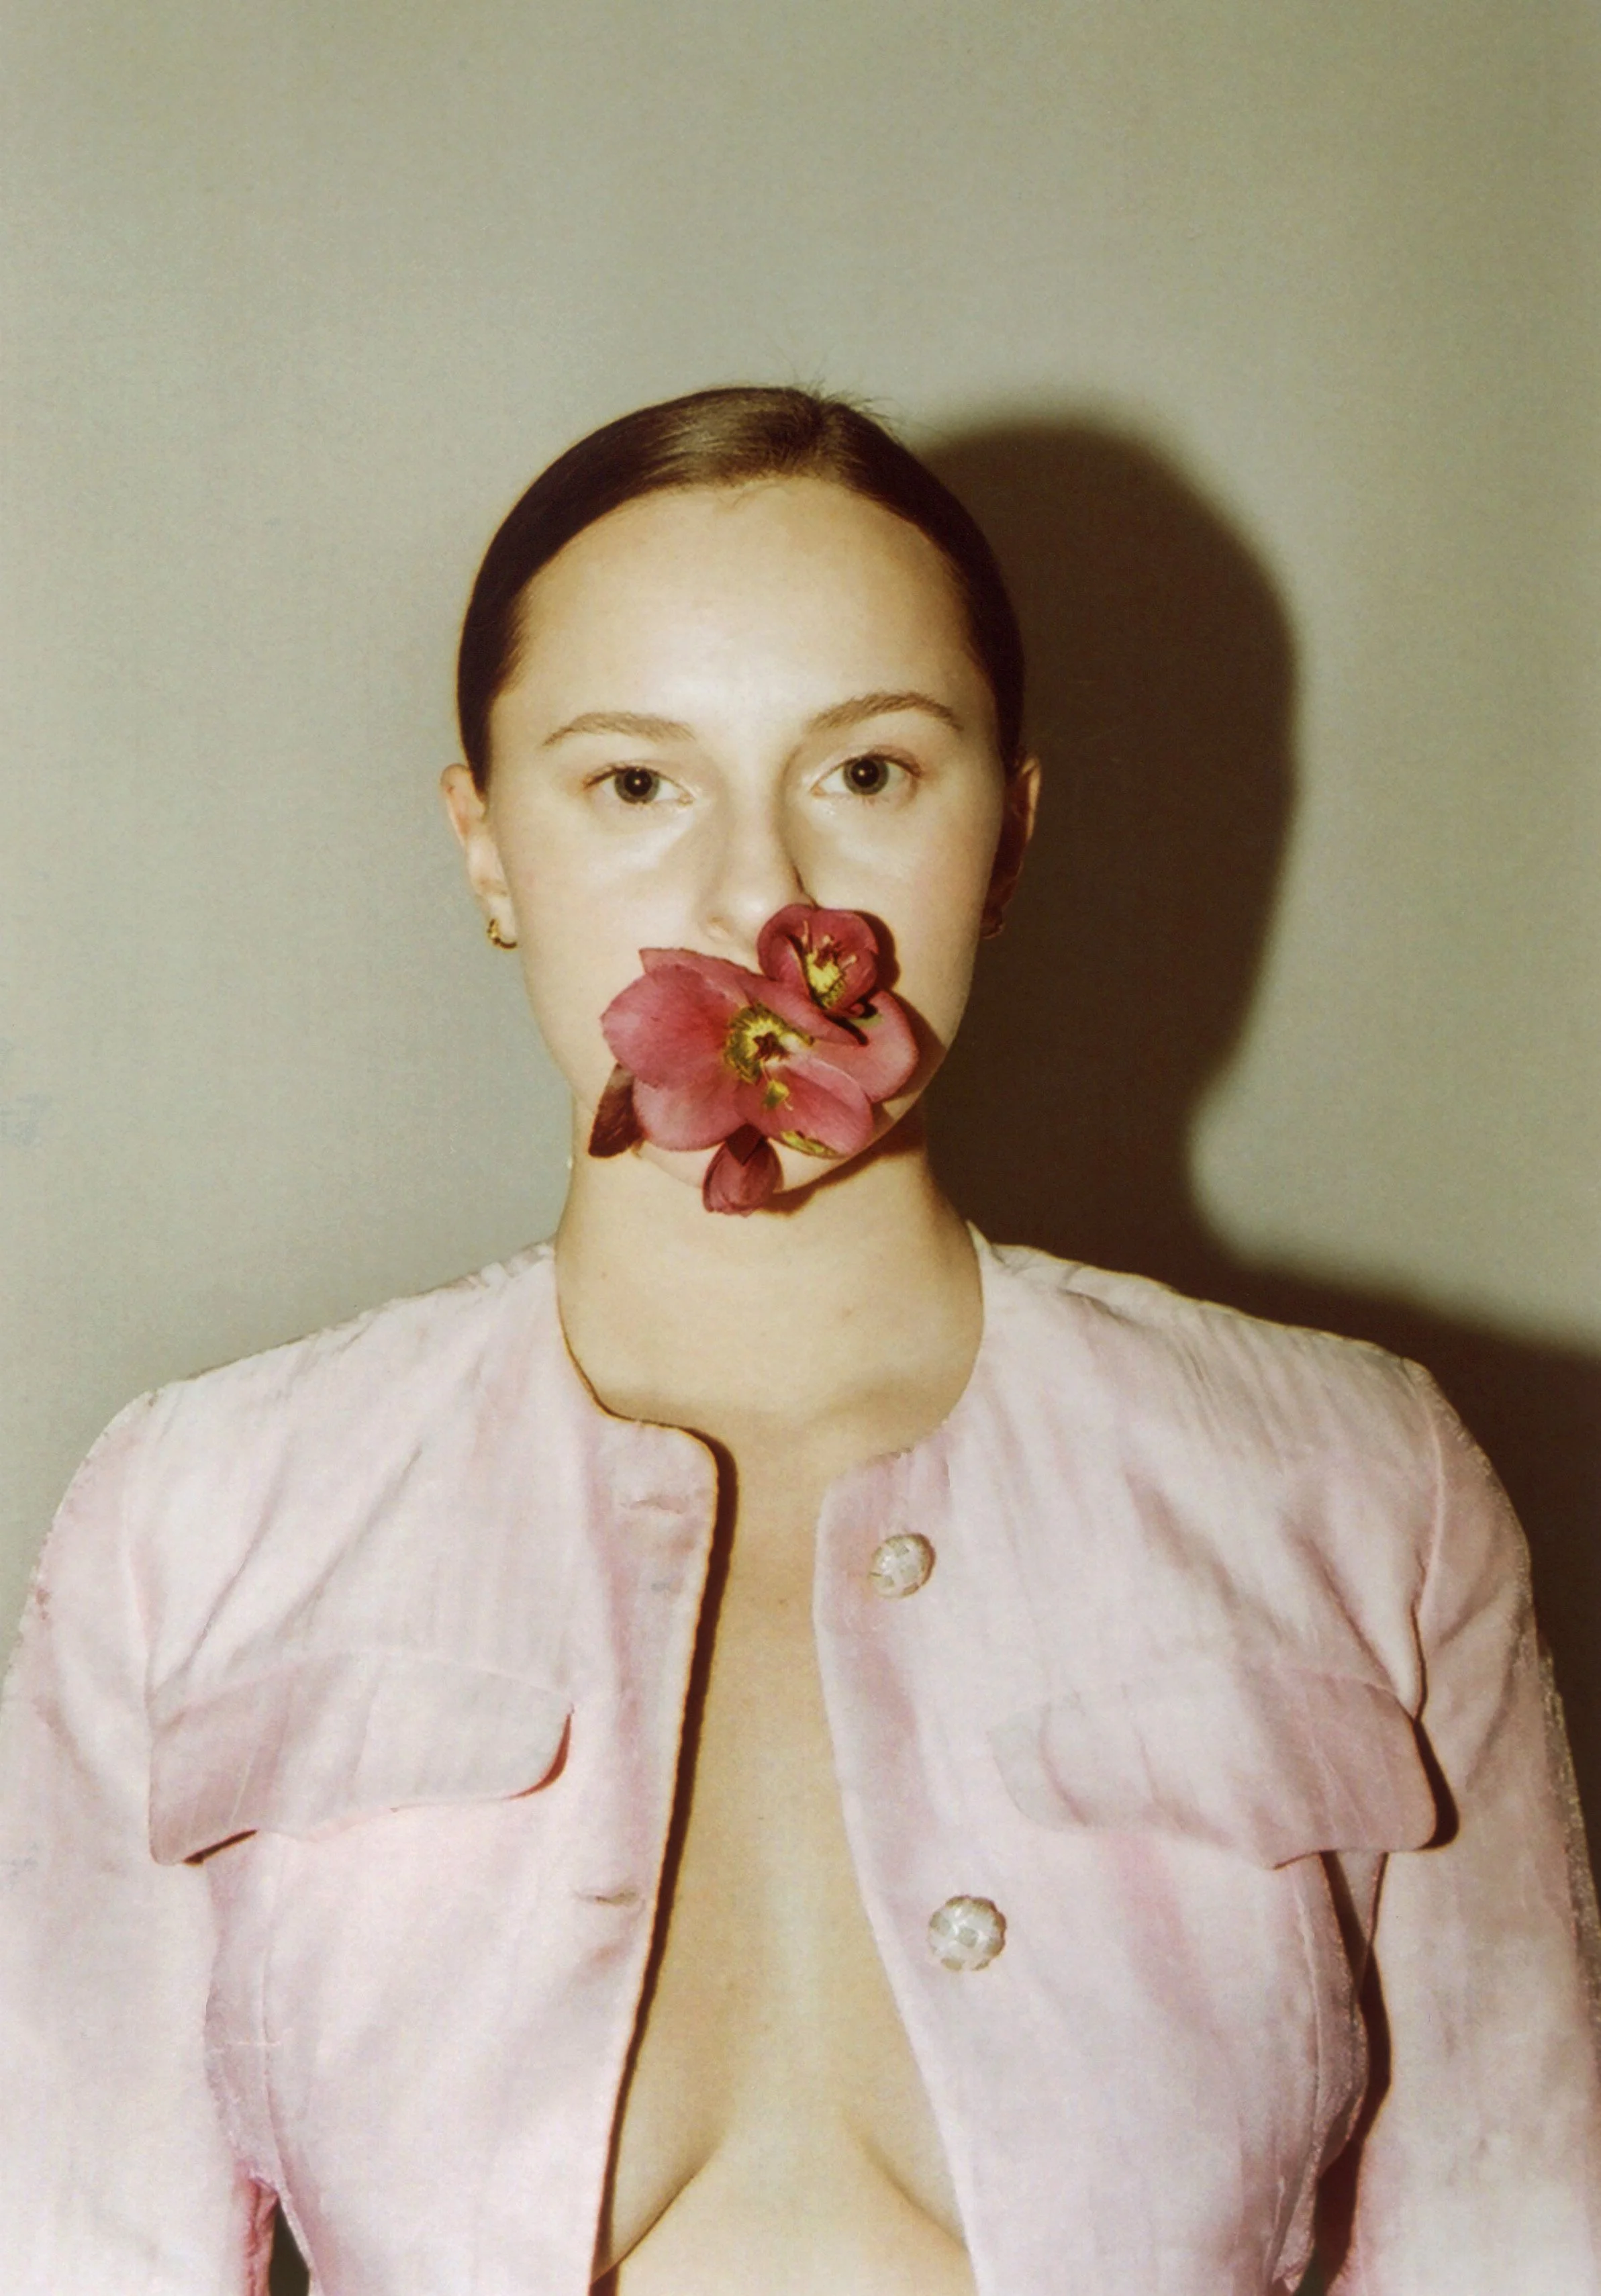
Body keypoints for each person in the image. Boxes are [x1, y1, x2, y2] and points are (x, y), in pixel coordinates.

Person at [1, 385, 1598, 2296]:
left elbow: (1519, 2237)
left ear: (1005, 830)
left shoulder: (1365, 1493)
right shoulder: (197, 1522)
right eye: (632, 784)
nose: (761, 898)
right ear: (485, 843)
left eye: (868, 773)